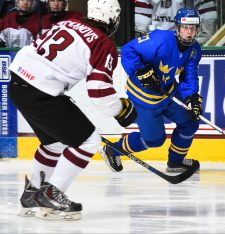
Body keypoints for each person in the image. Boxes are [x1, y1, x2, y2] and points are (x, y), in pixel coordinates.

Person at [8, 0, 136, 220]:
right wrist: (120, 109)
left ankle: (32, 194)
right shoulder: (103, 43)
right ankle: (51, 193)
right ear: (113, 18)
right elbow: (98, 90)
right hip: (42, 91)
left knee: (55, 143)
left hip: (18, 84)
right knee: (89, 140)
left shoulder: (69, 22)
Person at [100, 7, 202, 173]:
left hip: (169, 92)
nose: (189, 32)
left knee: (190, 121)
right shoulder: (159, 40)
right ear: (177, 28)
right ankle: (113, 150)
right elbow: (128, 50)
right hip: (144, 98)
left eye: (193, 28)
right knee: (154, 140)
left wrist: (191, 97)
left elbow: (189, 76)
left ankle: (175, 162)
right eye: (185, 28)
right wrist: (141, 71)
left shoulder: (194, 50)